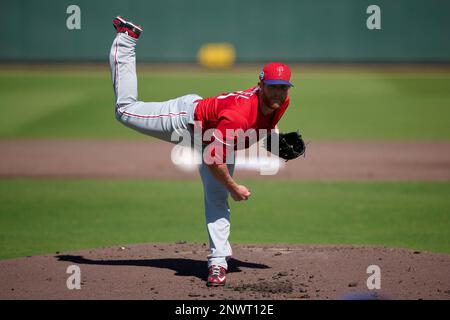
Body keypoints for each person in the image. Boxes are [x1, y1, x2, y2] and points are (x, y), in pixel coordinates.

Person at [110, 16, 294, 287]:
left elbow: (264, 125)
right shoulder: (238, 117)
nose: (279, 93)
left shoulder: (280, 103)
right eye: (273, 87)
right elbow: (212, 160)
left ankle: (218, 262)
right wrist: (234, 186)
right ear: (260, 85)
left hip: (217, 138)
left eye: (283, 87)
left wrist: (274, 142)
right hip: (185, 121)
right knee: (124, 111)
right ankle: (126, 40)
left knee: (216, 198)